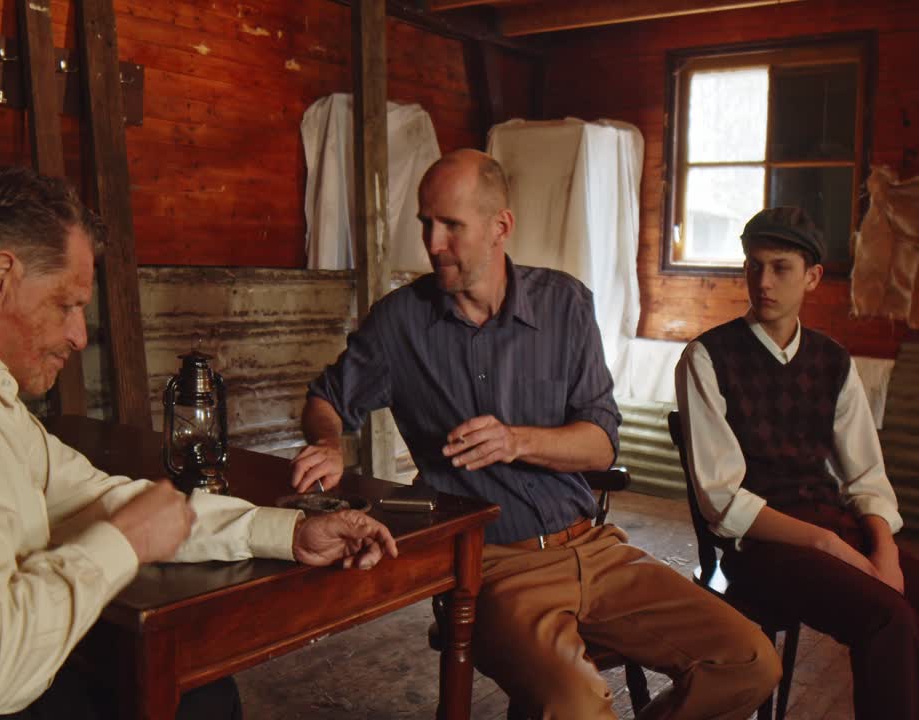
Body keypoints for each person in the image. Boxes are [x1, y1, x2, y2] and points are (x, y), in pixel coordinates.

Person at [0, 167, 398, 720]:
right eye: (67, 304)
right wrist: (119, 545)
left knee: (194, 693)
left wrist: (285, 531)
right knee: (188, 697)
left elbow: (107, 499)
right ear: (0, 277)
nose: (78, 334)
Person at [290, 149, 780, 719]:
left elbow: (600, 443)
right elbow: (325, 399)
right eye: (426, 223)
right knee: (576, 704)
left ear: (501, 226)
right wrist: (327, 441)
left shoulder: (566, 305)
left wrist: (518, 440)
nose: (433, 242)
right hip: (494, 567)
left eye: (452, 225)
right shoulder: (400, 321)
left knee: (750, 661)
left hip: (594, 549)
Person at [674, 206, 919, 720]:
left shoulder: (832, 361)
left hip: (843, 533)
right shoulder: (706, 358)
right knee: (892, 620)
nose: (763, 282)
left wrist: (882, 550)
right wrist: (826, 543)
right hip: (761, 547)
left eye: (780, 268)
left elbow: (866, 477)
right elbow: (721, 500)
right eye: (753, 265)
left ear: (813, 278)